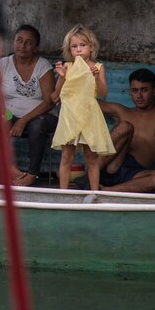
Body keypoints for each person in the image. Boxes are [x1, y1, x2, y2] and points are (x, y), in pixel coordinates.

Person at [0, 24, 57, 187]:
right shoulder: (4, 64)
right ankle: (12, 170)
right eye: (19, 40)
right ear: (13, 42)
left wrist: (23, 120)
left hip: (38, 116)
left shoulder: (43, 65)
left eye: (28, 42)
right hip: (10, 115)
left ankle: (32, 174)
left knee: (37, 125)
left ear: (36, 47)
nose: (22, 46)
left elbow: (48, 102)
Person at [50, 24, 115, 190]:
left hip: (89, 116)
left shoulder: (98, 67)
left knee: (91, 157)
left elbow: (103, 92)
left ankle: (94, 193)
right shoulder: (67, 67)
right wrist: (62, 77)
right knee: (66, 156)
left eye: (83, 45)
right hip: (69, 115)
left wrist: (96, 77)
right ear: (69, 49)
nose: (78, 49)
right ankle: (62, 193)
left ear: (91, 47)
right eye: (74, 46)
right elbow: (57, 92)